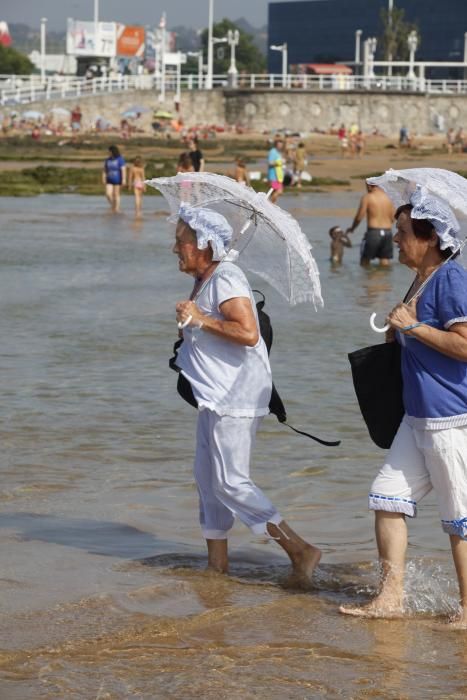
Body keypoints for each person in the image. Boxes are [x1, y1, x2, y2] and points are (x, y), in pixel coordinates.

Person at [172, 205, 322, 583]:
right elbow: (213, 331)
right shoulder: (207, 279)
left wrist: (200, 320)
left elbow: (248, 333)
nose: (176, 248)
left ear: (204, 244)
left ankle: (300, 549)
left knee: (231, 482)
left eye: (181, 241)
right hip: (213, 396)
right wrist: (191, 329)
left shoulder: (227, 277)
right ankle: (217, 567)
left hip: (235, 397)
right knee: (207, 481)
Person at [341, 184, 467, 626]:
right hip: (416, 418)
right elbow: (418, 336)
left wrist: (413, 328)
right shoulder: (422, 278)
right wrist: (399, 333)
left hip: (451, 418)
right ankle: (391, 597)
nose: (394, 239)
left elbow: (465, 345)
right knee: (387, 497)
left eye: (402, 232)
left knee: (459, 519)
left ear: (430, 236)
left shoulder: (451, 277)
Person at [346, 183, 395, 267]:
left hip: (374, 232)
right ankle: (384, 280)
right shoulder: (389, 197)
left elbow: (359, 216)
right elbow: (393, 218)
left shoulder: (368, 197)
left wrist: (352, 228)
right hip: (387, 232)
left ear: (369, 185)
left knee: (364, 261)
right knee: (385, 261)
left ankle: (367, 280)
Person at [102, 145, 126, 213]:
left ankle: (117, 208)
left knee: (116, 194)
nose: (108, 152)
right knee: (108, 194)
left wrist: (124, 179)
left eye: (109, 151)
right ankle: (113, 205)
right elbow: (105, 170)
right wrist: (103, 177)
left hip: (117, 179)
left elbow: (123, 169)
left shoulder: (120, 159)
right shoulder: (107, 160)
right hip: (109, 179)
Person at [267, 138, 284, 203]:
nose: (280, 146)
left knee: (274, 192)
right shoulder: (272, 151)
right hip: (273, 176)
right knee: (279, 191)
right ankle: (271, 205)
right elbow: (270, 163)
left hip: (278, 176)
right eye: (279, 145)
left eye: (281, 145)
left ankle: (271, 205)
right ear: (276, 145)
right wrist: (278, 162)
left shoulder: (278, 152)